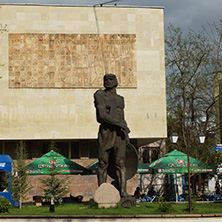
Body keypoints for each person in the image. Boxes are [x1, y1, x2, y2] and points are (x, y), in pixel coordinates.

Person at [94, 73, 130, 197]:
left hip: (119, 133)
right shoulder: (100, 95)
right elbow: (102, 116)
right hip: (106, 132)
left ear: (116, 82)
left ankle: (123, 192)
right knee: (103, 163)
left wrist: (125, 133)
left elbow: (122, 116)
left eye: (111, 79)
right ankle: (101, 193)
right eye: (106, 79)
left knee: (120, 163)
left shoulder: (120, 99)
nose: (108, 81)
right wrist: (120, 124)